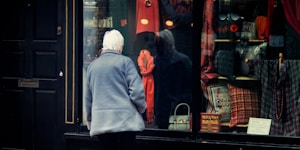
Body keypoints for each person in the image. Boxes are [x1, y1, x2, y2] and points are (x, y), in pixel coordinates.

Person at [84, 29, 147, 150]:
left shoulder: (92, 66)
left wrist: (90, 120)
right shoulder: (126, 62)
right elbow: (137, 92)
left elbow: (88, 98)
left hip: (102, 123)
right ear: (120, 46)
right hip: (125, 122)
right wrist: (141, 108)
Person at [153, 29, 192, 129]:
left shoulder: (183, 61)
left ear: (168, 44)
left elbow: (191, 88)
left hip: (178, 109)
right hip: (161, 111)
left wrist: (180, 101)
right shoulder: (155, 61)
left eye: (161, 44)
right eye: (158, 45)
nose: (159, 48)